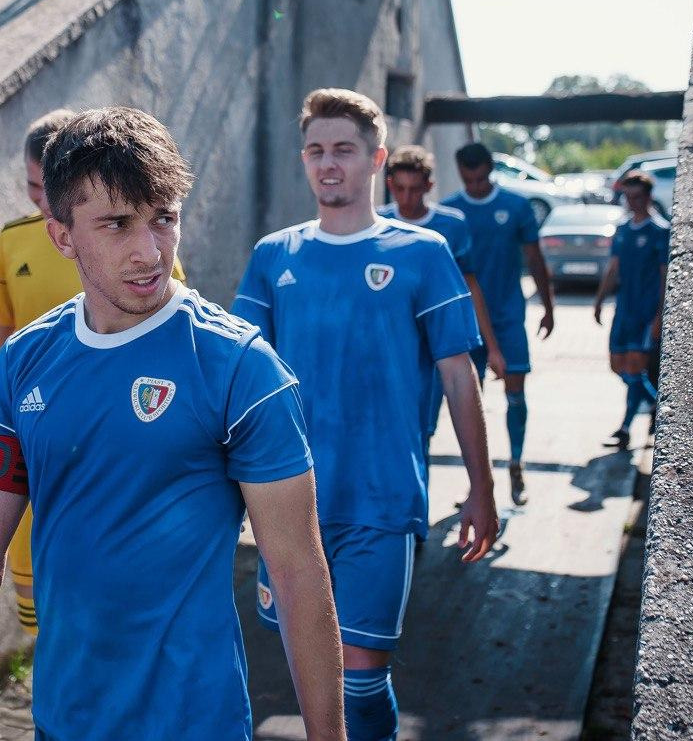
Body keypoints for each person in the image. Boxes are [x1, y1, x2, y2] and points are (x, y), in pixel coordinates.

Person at [0, 107, 345, 741]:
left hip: (195, 725)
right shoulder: (24, 361)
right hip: (62, 720)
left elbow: (298, 571)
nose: (149, 251)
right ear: (61, 235)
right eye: (117, 223)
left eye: (164, 218)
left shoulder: (239, 366)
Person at [234, 90, 499, 741]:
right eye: (316, 151)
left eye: (344, 150)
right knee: (310, 672)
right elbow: (239, 380)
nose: (328, 164)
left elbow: (459, 377)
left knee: (360, 677)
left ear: (376, 158)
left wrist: (482, 487)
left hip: (381, 497)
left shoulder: (423, 252)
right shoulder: (274, 256)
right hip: (289, 501)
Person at [0, 108, 185, 637]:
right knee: (46, 636)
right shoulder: (14, 241)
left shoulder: (138, 245)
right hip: (38, 454)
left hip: (123, 452)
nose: (43, 201)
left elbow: (173, 331)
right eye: (33, 187)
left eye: (51, 187)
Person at [444, 142, 555, 506]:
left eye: (481, 179)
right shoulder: (450, 213)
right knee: (468, 403)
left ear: (491, 170)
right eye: (468, 180)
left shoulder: (516, 206)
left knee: (515, 392)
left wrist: (548, 305)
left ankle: (516, 465)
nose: (475, 186)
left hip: (508, 318)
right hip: (466, 323)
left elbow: (535, 258)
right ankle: (477, 481)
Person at [378, 145, 505, 457]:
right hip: (388, 345)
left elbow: (469, 286)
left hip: (435, 347)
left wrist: (492, 347)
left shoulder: (451, 226)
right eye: (400, 189)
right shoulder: (376, 224)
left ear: (429, 186)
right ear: (390, 185)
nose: (406, 197)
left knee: (424, 431)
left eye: (414, 189)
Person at [593, 171, 669, 448]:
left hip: (645, 313)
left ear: (648, 197)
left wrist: (660, 315)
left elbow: (665, 277)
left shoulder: (660, 231)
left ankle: (625, 429)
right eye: (628, 197)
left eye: (637, 197)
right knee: (618, 366)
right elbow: (613, 268)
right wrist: (599, 300)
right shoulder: (623, 230)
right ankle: (656, 405)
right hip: (623, 310)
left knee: (636, 369)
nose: (632, 202)